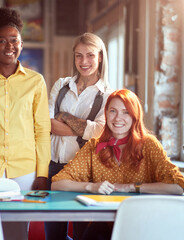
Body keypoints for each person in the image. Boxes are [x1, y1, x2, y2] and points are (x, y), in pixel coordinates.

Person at [52, 89, 184, 240]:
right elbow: (57, 183)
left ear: (135, 116)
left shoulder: (149, 144)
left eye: (125, 112)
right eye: (113, 111)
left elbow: (177, 186)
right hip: (104, 227)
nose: (118, 118)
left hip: (143, 224)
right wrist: (90, 186)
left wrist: (131, 187)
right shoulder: (94, 146)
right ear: (106, 114)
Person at [0, 8, 51, 240]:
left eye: (14, 40)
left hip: (26, 170)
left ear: (21, 43)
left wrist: (42, 173)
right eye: (1, 41)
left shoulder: (36, 81)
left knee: (17, 232)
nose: (9, 46)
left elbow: (42, 130)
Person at [45, 32, 113, 240]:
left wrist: (64, 116)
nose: (84, 62)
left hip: (85, 170)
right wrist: (84, 127)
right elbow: (47, 123)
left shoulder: (108, 95)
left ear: (100, 57)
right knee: (54, 234)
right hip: (52, 166)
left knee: (82, 234)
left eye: (90, 55)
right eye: (79, 55)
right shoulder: (62, 85)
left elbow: (99, 132)